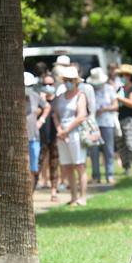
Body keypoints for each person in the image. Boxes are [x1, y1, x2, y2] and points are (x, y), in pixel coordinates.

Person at [53, 66, 88, 206]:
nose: (68, 82)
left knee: (79, 165)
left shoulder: (81, 95)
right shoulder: (60, 97)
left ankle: (83, 196)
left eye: (70, 80)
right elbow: (55, 115)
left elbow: (81, 116)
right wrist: (60, 130)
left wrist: (66, 130)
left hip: (75, 134)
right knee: (67, 166)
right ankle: (73, 196)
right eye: (66, 80)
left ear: (75, 81)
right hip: (62, 135)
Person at [87, 67, 117, 184]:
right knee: (94, 151)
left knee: (108, 150)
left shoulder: (109, 89)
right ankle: (96, 176)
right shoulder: (90, 90)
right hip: (93, 124)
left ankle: (110, 175)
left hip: (107, 123)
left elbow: (115, 106)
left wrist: (104, 109)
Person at [24, 72, 50, 191]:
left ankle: (31, 194)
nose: (28, 89)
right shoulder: (13, 98)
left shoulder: (35, 96)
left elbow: (47, 107)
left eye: (30, 86)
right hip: (20, 140)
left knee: (33, 168)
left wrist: (41, 120)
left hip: (33, 138)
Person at [115, 64, 132, 176]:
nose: (121, 77)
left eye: (123, 75)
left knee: (130, 143)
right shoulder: (120, 89)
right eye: (120, 75)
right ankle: (126, 167)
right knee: (121, 145)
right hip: (119, 118)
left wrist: (118, 98)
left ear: (129, 76)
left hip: (130, 120)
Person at [37, 74, 60, 201]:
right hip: (41, 137)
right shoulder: (39, 101)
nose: (48, 87)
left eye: (50, 84)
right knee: (38, 164)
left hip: (55, 137)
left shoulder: (58, 100)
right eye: (45, 84)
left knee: (54, 164)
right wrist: (42, 101)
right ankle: (32, 191)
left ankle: (53, 192)